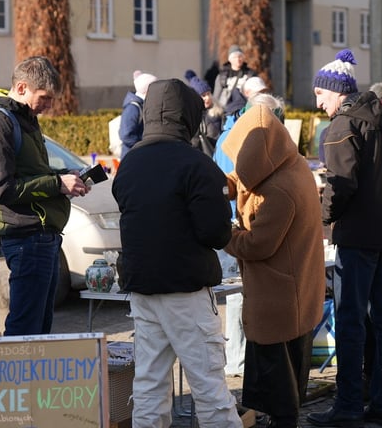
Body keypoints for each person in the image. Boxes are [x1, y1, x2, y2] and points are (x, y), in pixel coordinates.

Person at [111, 78, 242, 428]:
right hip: (186, 291)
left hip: (142, 289)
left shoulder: (131, 163)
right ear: (189, 117)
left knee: (149, 389)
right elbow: (215, 232)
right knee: (210, 391)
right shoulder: (196, 164)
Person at [307, 49, 382, 427]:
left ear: (337, 92)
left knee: (352, 323)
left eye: (320, 94)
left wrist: (324, 218)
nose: (317, 102)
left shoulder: (342, 127)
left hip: (356, 240)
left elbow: (340, 188)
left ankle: (350, 406)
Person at [221, 104, 325, 428]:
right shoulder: (288, 166)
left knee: (280, 391)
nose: (237, 161)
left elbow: (257, 244)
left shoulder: (279, 189)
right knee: (283, 381)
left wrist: (223, 234)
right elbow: (244, 180)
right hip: (291, 294)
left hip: (279, 300)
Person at [0, 56, 90, 336]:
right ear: (22, 87)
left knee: (39, 329)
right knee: (25, 329)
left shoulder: (25, 119)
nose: (49, 106)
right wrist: (56, 184)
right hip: (26, 237)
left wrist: (64, 175)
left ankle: (31, 381)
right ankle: (14, 381)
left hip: (42, 236)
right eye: (45, 97)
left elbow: (30, 171)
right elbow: (0, 187)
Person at [212, 92, 286, 377]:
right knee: (236, 299)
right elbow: (235, 177)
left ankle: (240, 360)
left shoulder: (244, 136)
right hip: (235, 227)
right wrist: (226, 229)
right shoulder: (243, 140)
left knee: (240, 300)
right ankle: (237, 359)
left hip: (238, 229)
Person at [118, 70, 157, 158]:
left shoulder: (141, 105)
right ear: (147, 90)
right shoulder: (133, 108)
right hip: (132, 157)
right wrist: (142, 147)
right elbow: (126, 135)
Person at [185, 69, 223, 155]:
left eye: (208, 94)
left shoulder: (218, 113)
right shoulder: (191, 116)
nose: (207, 98)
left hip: (216, 153)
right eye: (203, 95)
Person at [213, 44, 256, 114]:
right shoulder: (222, 76)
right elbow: (216, 96)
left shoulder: (250, 74)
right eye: (235, 57)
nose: (238, 59)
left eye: (240, 56)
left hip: (245, 108)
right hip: (226, 109)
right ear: (230, 59)